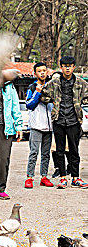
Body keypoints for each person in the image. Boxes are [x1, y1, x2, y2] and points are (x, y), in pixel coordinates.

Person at [41, 56, 88, 189]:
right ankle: (62, 177)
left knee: (74, 150)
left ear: (74, 67)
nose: (67, 68)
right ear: (61, 67)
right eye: (65, 65)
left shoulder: (80, 83)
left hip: (74, 120)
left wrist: (81, 103)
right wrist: (54, 102)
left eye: (70, 65)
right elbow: (43, 95)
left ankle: (75, 177)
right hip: (59, 120)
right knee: (59, 150)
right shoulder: (54, 83)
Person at [25, 62, 54, 189]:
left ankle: (44, 176)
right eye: (39, 71)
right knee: (34, 152)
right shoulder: (32, 88)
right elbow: (29, 105)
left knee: (46, 153)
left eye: (44, 70)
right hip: (36, 125)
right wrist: (37, 93)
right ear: (35, 73)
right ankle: (29, 177)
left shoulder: (52, 86)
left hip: (49, 126)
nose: (42, 73)